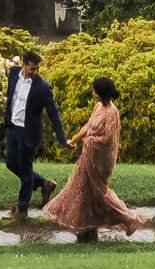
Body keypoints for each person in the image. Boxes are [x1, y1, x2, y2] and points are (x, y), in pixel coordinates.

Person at [44, 76, 145, 242]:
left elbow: (107, 139)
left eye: (95, 91)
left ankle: (130, 219)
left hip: (100, 160)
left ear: (101, 93)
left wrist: (88, 141)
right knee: (83, 191)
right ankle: (86, 229)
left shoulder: (112, 113)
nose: (92, 93)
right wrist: (74, 140)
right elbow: (88, 127)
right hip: (88, 156)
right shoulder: (98, 106)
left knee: (99, 193)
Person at [0, 48, 66, 222]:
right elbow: (11, 97)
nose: (35, 72)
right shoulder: (14, 74)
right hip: (12, 128)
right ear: (23, 65)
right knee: (11, 164)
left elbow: (53, 113)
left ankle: (22, 210)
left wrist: (62, 137)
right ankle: (44, 183)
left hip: (29, 133)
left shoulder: (43, 87)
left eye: (37, 69)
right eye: (31, 68)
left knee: (26, 169)